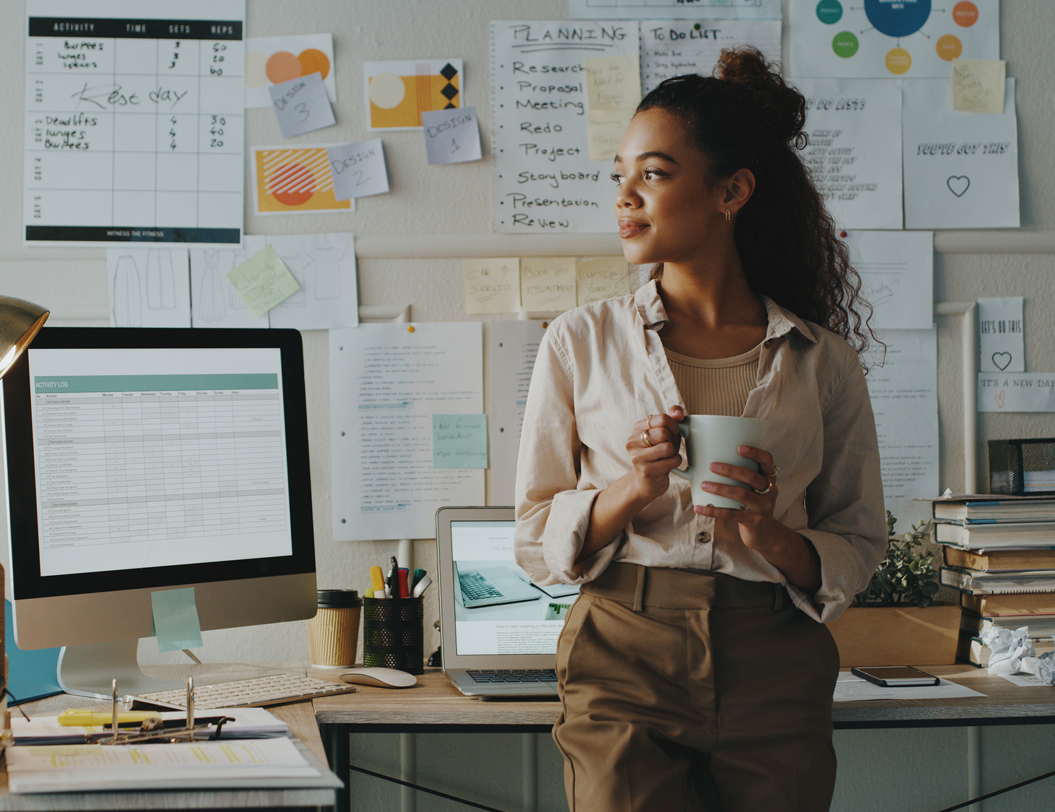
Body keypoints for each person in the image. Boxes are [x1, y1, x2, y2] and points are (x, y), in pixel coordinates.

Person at [514, 47, 886, 812]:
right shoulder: (578, 341)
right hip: (621, 649)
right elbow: (532, 536)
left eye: (651, 174)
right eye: (618, 175)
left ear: (731, 191)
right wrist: (634, 486)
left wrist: (768, 534)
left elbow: (858, 540)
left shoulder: (824, 362)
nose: (624, 197)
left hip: (775, 658)